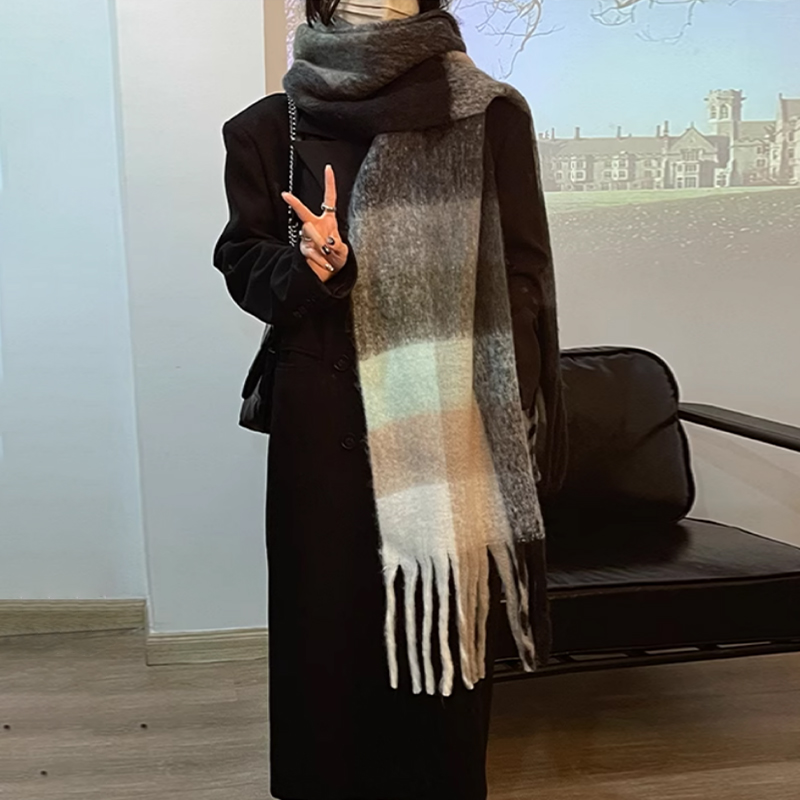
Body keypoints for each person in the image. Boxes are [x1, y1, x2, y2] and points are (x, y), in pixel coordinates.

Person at [213, 1, 568, 798]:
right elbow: (243, 263)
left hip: (448, 420)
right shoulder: (270, 128)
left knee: (443, 626)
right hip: (323, 422)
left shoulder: (487, 116)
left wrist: (495, 396)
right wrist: (312, 268)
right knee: (325, 630)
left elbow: (524, 274)